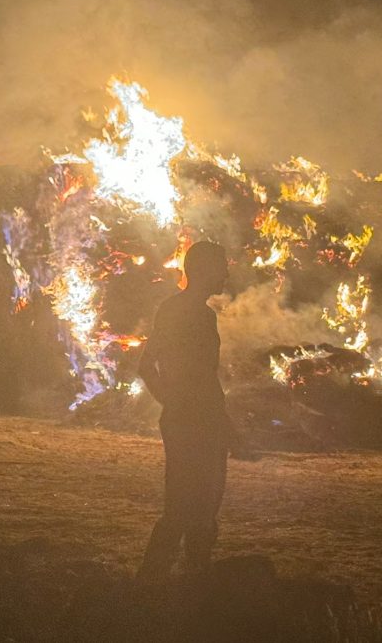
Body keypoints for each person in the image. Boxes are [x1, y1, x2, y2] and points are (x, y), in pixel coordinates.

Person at [137, 241, 233, 580]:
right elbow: (152, 366)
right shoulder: (185, 313)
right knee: (186, 506)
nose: (226, 272)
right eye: (221, 265)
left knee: (198, 507)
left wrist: (174, 404)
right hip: (193, 422)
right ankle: (154, 588)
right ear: (205, 269)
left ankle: (189, 581)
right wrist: (178, 404)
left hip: (198, 420)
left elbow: (150, 366)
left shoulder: (191, 311)